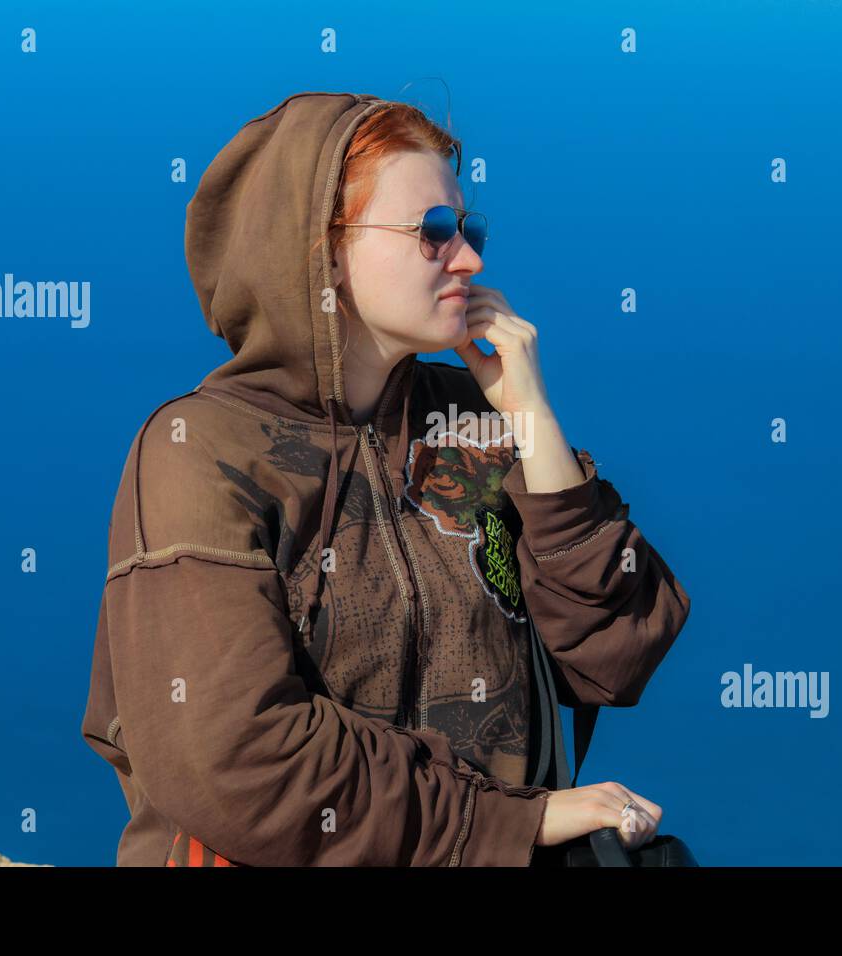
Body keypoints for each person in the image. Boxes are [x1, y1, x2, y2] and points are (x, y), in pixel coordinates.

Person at [79, 90, 692, 866]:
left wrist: (533, 418)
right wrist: (513, 824)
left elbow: (615, 654)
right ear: (320, 251)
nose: (469, 259)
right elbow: (239, 758)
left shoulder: (477, 421)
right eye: (433, 232)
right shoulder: (198, 449)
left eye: (468, 229)